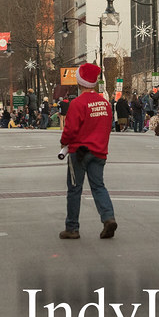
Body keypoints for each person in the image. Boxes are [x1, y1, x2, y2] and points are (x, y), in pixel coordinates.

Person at [58, 63, 116, 240]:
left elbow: (70, 130)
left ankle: (72, 227)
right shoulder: (105, 104)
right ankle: (108, 217)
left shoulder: (77, 103)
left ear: (80, 82)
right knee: (98, 186)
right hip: (99, 151)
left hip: (79, 151)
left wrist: (63, 143)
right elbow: (107, 128)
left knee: (75, 189)